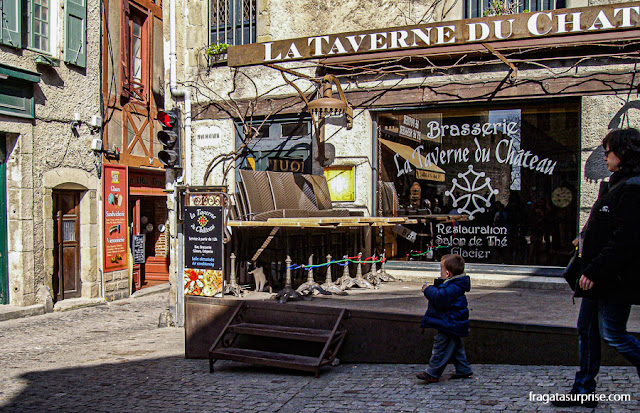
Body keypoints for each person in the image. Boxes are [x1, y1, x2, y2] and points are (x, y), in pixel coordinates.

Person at [553, 128, 640, 408]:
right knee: (587, 330)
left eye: (608, 151)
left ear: (624, 153)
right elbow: (606, 225)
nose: (605, 156)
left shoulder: (633, 187)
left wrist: (594, 271)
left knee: (613, 332)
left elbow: (624, 240)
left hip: (613, 277)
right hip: (597, 274)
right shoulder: (617, 183)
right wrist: (585, 235)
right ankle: (583, 389)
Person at [416, 254, 473, 383]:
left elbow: (439, 297)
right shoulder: (455, 284)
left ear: (447, 273)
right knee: (455, 346)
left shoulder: (453, 286)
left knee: (441, 346)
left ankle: (433, 372)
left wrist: (427, 289)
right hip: (452, 321)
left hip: (449, 322)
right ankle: (463, 369)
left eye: (441, 270)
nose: (440, 273)